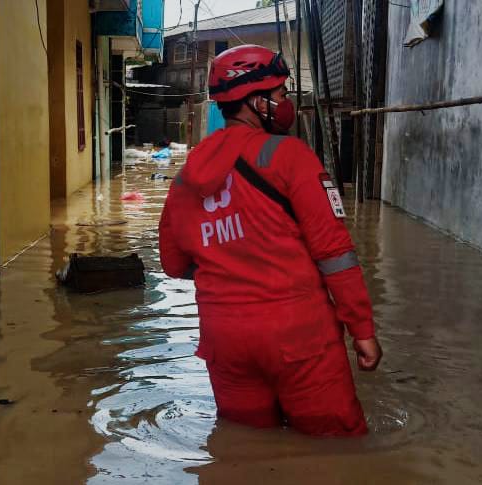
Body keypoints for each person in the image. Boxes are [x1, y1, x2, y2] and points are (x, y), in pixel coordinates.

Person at [158, 45, 382, 436]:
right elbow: (335, 255)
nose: (285, 103)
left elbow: (173, 264)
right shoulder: (289, 157)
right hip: (298, 338)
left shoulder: (185, 177)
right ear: (254, 102)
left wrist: (230, 259)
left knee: (245, 451)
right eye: (279, 94)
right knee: (336, 451)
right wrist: (362, 331)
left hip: (224, 340)